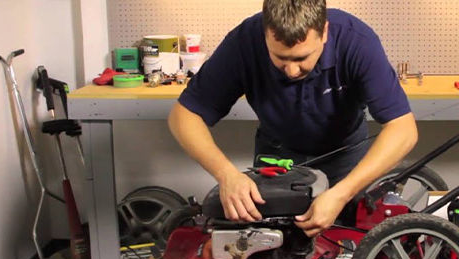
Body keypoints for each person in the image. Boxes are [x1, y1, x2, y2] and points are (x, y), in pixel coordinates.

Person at [168, 0, 416, 237]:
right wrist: (226, 175)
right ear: (265, 34)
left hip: (346, 160)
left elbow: (403, 129)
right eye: (281, 58)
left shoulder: (357, 42)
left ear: (324, 32)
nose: (292, 71)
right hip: (276, 161)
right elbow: (184, 115)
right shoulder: (243, 42)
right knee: (269, 249)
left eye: (301, 58)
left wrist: (342, 193)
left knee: (347, 250)